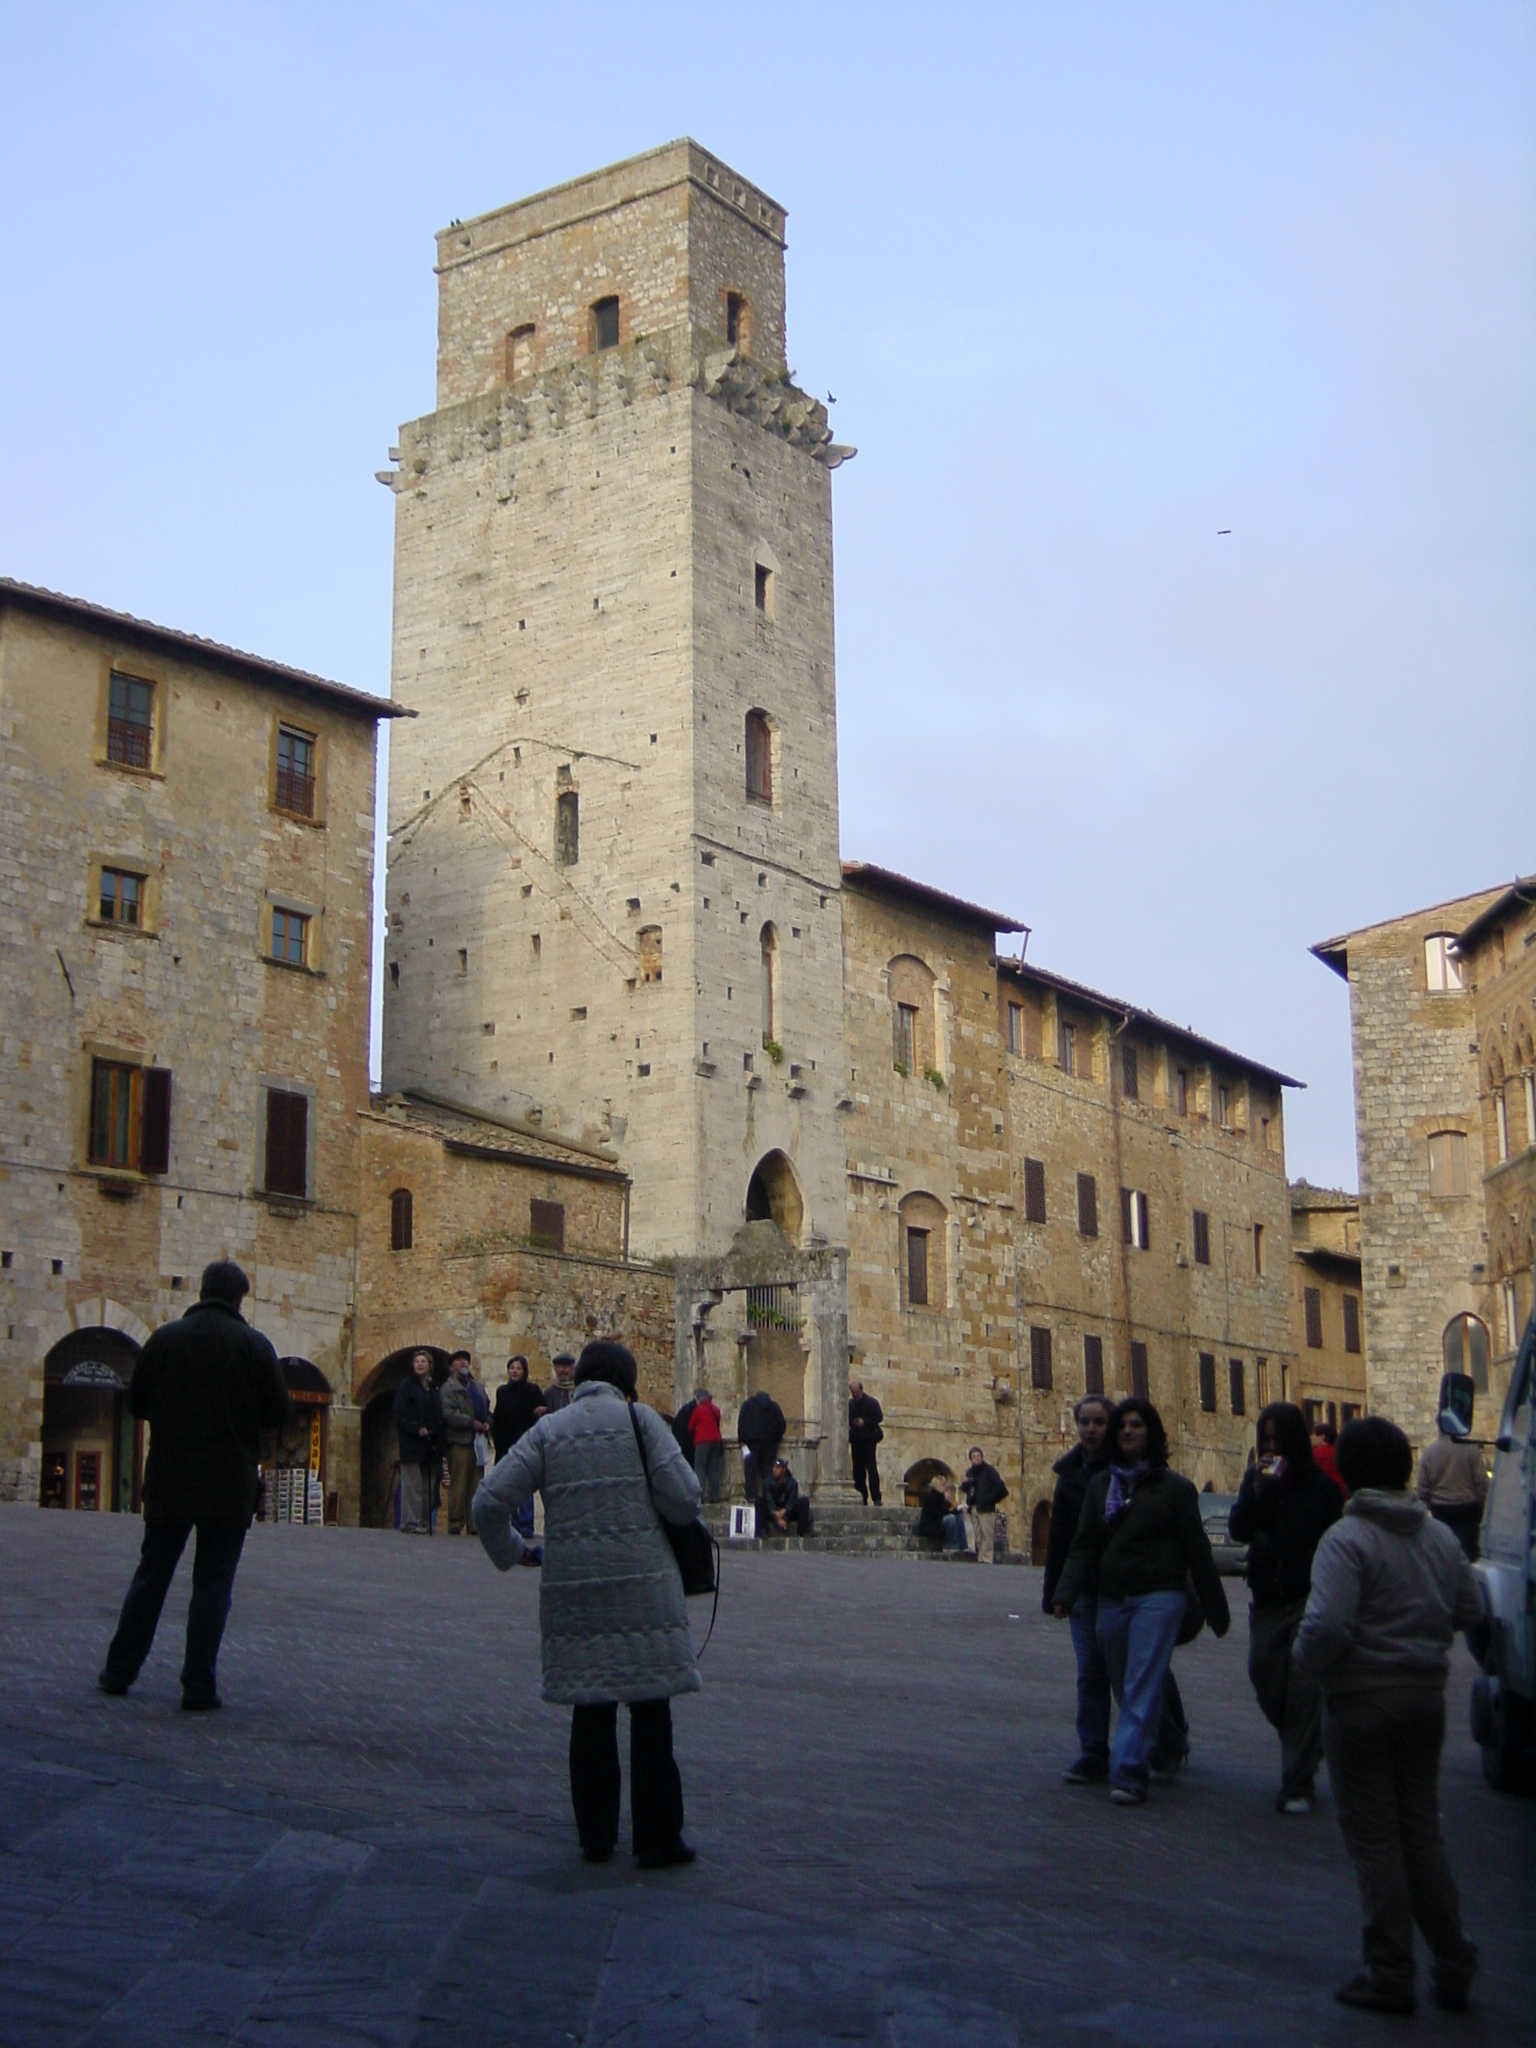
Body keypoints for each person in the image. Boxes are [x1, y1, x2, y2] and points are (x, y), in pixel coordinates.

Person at [472, 1339, 701, 1869]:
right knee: (652, 1716)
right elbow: (685, 1498)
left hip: (575, 1589)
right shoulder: (641, 1421)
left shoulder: (551, 1429)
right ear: (626, 1377)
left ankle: (595, 1835)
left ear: (581, 1378)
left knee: (590, 1714)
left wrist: (515, 1552)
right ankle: (658, 1838)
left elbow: (489, 1500)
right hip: (645, 1588)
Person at [1292, 1416, 1484, 2015]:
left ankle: (1390, 1970)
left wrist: (1306, 1664)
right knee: (1421, 1832)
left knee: (1376, 1842)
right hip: (1425, 1698)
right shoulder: (1439, 1539)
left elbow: (1325, 1626)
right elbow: (1471, 1608)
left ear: (1347, 1472)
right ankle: (1453, 1962)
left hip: (1361, 1701)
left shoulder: (1345, 1542)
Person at [98, 1261, 293, 1709]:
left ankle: (118, 1671)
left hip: (171, 1478)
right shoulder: (253, 1345)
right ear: (238, 1297)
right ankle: (198, 1685)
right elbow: (280, 1412)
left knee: (152, 1576)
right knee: (213, 1584)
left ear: (203, 1291)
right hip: (228, 1483)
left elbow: (139, 1403)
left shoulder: (165, 1339)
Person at [1052, 1397, 1230, 1804]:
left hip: (1159, 1597)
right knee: (1122, 1682)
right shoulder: (1101, 1487)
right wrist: (1063, 1593)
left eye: (1136, 1425)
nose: (1128, 1431)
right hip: (1111, 1599)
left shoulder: (1176, 1489)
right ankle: (1169, 1743)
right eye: (1123, 1426)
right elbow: (1081, 1545)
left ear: (1151, 1433)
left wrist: (1215, 1610)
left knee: (1140, 1682)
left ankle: (1129, 1770)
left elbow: (1197, 1552)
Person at [1228, 1402, 1343, 1813]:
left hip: (1309, 1599)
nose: (1272, 1447)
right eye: (1267, 1440)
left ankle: (1298, 1785)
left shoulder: (1321, 1489)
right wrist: (1257, 1494)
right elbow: (1238, 1528)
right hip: (1268, 1600)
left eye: (1279, 1439)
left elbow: (1335, 1541)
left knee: (1303, 1690)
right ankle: (1304, 1742)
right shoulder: (1256, 1482)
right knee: (1266, 1680)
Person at [1415, 1408, 1488, 1561]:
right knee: (1467, 1557)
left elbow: (1422, 1489)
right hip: (1468, 1511)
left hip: (1440, 1512)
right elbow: (1481, 1483)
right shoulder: (1471, 1449)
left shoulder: (1429, 1453)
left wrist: (1429, 1506)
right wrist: (1482, 1507)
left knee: (1444, 1555)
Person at [492, 1356, 547, 1542]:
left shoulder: (532, 1391)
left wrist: (537, 1412)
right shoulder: (502, 1392)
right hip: (505, 1445)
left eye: (518, 1368)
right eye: (512, 1368)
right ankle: (512, 1523)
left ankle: (526, 1525)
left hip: (525, 1444)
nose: (514, 1371)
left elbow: (542, 1410)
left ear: (524, 1371)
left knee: (524, 1485)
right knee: (507, 1486)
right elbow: (498, 1418)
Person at [393, 1351, 445, 1534]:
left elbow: (438, 1414)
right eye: (417, 1361)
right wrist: (417, 1428)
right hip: (412, 1443)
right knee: (413, 1485)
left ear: (430, 1365)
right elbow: (400, 1414)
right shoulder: (406, 1386)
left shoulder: (433, 1388)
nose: (420, 1364)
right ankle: (410, 1521)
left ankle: (424, 1521)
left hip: (430, 1445)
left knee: (428, 1485)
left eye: (424, 1361)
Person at [439, 1350, 487, 1536]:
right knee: (458, 1485)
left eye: (466, 1360)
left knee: (477, 1484)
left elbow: (486, 1409)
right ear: (452, 1367)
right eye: (459, 1361)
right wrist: (470, 1422)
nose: (463, 1363)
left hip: (478, 1442)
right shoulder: (448, 1389)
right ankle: (455, 1522)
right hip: (459, 1441)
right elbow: (448, 1414)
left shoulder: (477, 1388)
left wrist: (487, 1422)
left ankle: (473, 1523)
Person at [960, 1446, 1009, 1563]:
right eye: (973, 1457)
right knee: (978, 1535)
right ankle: (981, 1557)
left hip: (986, 1508)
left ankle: (987, 1558)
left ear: (982, 1457)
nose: (976, 1459)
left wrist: (989, 1499)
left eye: (978, 1456)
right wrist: (965, 1483)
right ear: (970, 1459)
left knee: (987, 1534)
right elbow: (967, 1489)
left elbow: (1001, 1488)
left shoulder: (989, 1471)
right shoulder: (970, 1472)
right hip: (974, 1507)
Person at [736, 1389, 785, 1502]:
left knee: (751, 1469)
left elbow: (741, 1423)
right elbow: (781, 1424)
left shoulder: (747, 1405)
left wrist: (742, 1440)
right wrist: (776, 1438)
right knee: (768, 1470)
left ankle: (751, 1495)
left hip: (751, 1442)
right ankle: (768, 1496)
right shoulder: (774, 1407)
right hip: (770, 1442)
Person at [848, 1379, 884, 1505]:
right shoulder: (850, 1404)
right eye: (853, 1392)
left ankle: (876, 1497)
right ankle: (862, 1496)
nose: (855, 1394)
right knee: (858, 1470)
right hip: (856, 1440)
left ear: (861, 1390)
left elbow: (879, 1417)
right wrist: (854, 1423)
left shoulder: (871, 1402)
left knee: (871, 1468)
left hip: (869, 1439)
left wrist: (865, 1421)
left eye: (856, 1392)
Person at [758, 1456, 812, 1537]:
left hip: (787, 1511)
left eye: (778, 1468)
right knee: (759, 1501)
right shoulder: (768, 1482)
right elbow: (769, 1500)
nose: (775, 1470)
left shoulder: (792, 1483)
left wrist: (785, 1512)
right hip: (773, 1511)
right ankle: (763, 1530)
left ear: (783, 1469)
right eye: (774, 1467)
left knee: (804, 1502)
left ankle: (802, 1531)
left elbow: (792, 1500)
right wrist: (777, 1516)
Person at [687, 1385, 724, 1503]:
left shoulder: (699, 1410)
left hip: (702, 1442)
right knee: (713, 1470)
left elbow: (690, 1426)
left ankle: (700, 1497)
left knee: (700, 1470)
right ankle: (715, 1497)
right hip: (716, 1441)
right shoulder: (716, 1409)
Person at [915, 1478, 967, 1553]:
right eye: (943, 1485)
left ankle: (963, 1546)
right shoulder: (930, 1498)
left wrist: (958, 1510)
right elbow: (937, 1513)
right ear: (937, 1486)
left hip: (939, 1521)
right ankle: (950, 1546)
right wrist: (946, 1503)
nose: (945, 1487)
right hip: (931, 1525)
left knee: (959, 1518)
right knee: (950, 1519)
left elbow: (950, 1509)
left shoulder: (942, 1498)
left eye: (945, 1485)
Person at [1311, 1417, 1346, 1497]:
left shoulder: (1314, 1454)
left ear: (1322, 1437)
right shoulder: (1338, 1452)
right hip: (1340, 1493)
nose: (1311, 1437)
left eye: (1314, 1434)